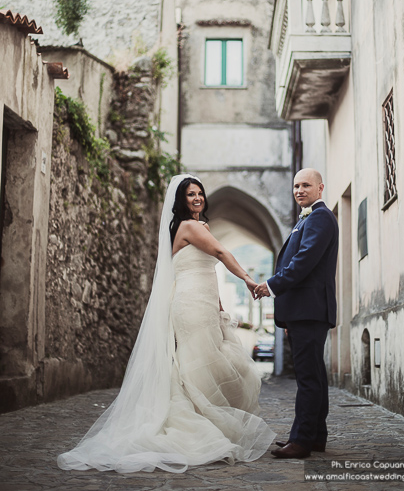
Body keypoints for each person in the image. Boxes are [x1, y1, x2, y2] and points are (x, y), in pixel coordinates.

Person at [58, 174, 275, 474]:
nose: (197, 198)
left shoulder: (201, 226)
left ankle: (209, 422)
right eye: (191, 194)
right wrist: (249, 280)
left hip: (204, 303)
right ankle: (195, 426)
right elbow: (221, 253)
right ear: (181, 201)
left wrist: (219, 305)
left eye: (200, 193)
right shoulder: (187, 226)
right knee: (199, 361)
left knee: (210, 360)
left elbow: (206, 271)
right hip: (190, 305)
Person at [255, 168, 338, 459]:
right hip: (303, 311)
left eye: (306, 185)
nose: (299, 190)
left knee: (308, 379)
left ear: (320, 188)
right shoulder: (308, 218)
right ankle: (315, 437)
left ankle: (301, 441)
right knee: (314, 376)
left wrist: (271, 285)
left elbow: (303, 261)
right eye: (296, 186)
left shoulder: (320, 217)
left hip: (310, 310)